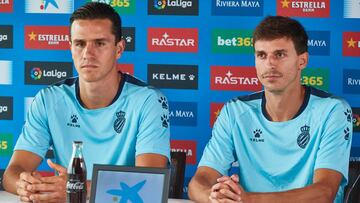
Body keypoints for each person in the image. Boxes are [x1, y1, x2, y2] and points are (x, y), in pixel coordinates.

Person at [3, 2, 170, 202]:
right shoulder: (49, 99)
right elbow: (13, 173)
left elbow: (149, 184)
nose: (87, 54)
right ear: (70, 47)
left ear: (119, 49)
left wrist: (76, 188)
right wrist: (28, 186)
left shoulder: (148, 100)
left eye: (99, 43)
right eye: (80, 43)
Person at [188, 16, 353, 203]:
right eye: (262, 55)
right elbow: (198, 183)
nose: (270, 64)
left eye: (280, 54)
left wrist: (248, 200)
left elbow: (324, 193)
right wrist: (217, 197)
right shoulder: (235, 111)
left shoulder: (332, 110)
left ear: (302, 61)